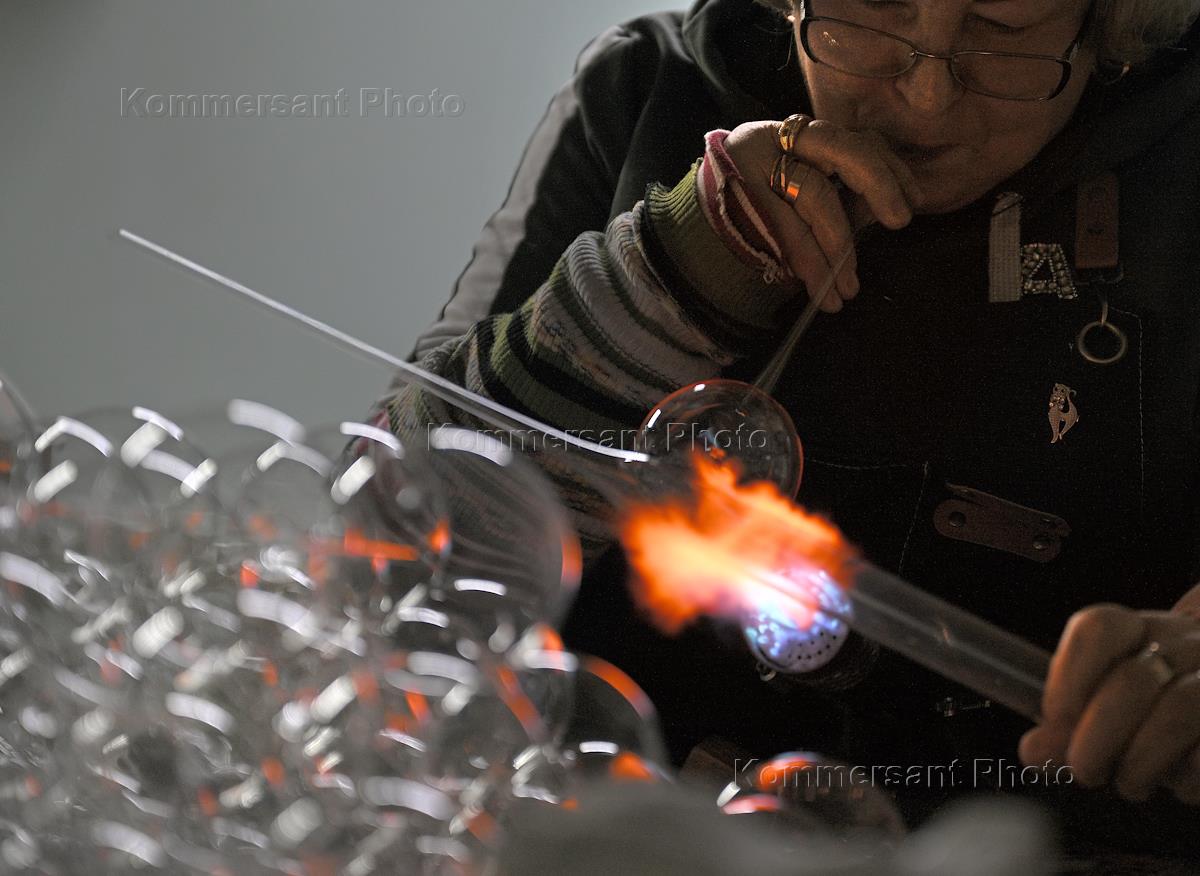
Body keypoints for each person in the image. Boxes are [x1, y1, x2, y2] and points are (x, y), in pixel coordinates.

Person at [377, 0, 1200, 859]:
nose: (927, 95)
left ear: (1107, 24)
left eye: (1003, 32)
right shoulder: (643, 94)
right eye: (873, 9)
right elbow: (388, 538)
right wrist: (684, 259)